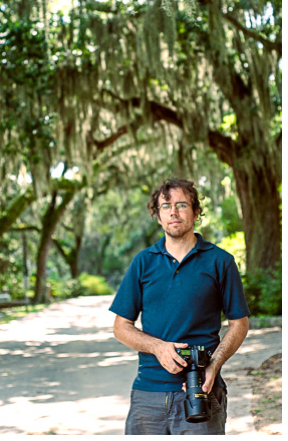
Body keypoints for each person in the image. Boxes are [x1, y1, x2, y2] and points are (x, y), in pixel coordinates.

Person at [110, 178, 250, 435]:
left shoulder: (221, 261)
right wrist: (158, 348)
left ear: (196, 214)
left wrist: (214, 365)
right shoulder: (142, 262)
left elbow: (239, 324)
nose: (173, 212)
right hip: (148, 395)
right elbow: (121, 327)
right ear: (158, 217)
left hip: (201, 391)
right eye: (165, 206)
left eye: (181, 205)